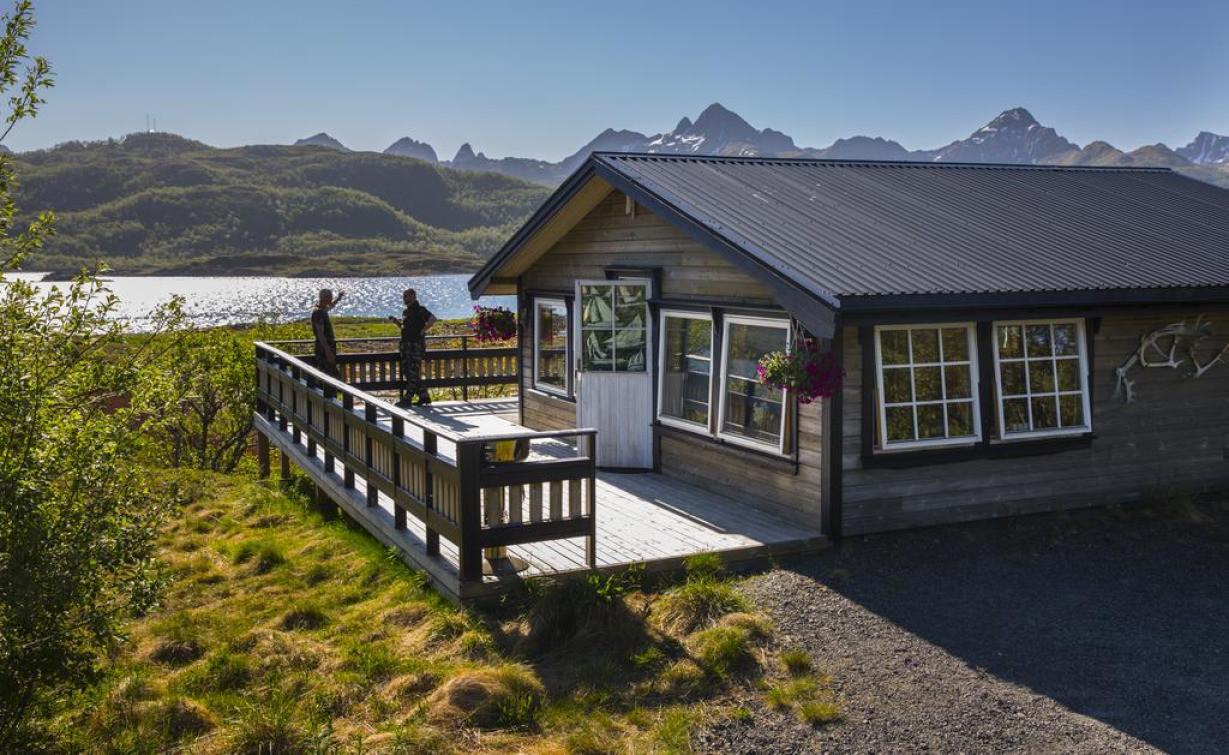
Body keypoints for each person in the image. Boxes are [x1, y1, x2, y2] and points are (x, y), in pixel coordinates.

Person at [389, 288, 437, 406]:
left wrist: (423, 330)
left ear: (413, 296)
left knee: (413, 372)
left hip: (416, 345)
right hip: (405, 345)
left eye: (406, 296)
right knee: (407, 371)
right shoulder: (405, 312)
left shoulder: (420, 310)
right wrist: (396, 322)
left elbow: (433, 319)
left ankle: (407, 399)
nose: (404, 298)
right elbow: (404, 328)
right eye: (403, 296)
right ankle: (424, 396)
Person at [311, 288, 344, 377]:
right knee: (329, 375)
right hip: (323, 351)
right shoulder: (319, 313)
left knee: (329, 374)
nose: (331, 299)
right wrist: (327, 351)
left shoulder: (321, 310)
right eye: (330, 297)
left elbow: (330, 306)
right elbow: (320, 334)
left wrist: (338, 298)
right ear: (326, 298)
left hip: (326, 349)